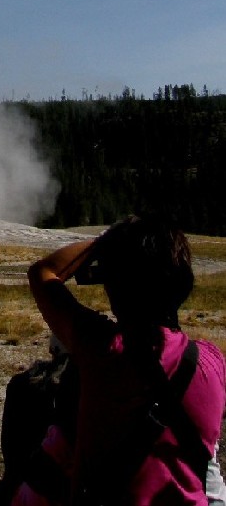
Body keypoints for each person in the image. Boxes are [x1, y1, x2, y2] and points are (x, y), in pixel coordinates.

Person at [27, 214, 226, 506]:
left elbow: (43, 272)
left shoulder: (101, 348)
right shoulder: (212, 360)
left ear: (113, 284)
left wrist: (107, 242)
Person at [0, 336, 78, 506]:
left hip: (19, 490)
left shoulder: (21, 384)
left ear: (52, 349)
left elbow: (11, 455)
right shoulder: (83, 394)